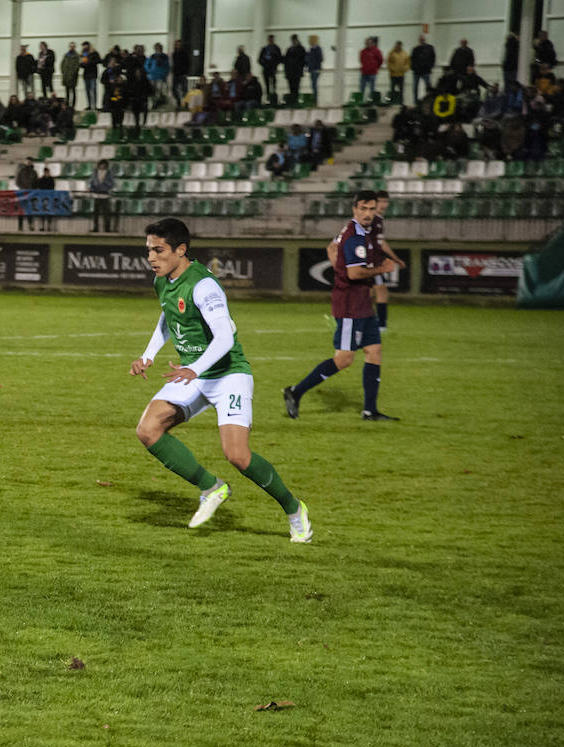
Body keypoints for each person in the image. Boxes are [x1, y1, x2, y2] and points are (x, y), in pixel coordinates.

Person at [131, 218, 311, 543]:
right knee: (148, 429)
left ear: (180, 250)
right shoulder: (163, 280)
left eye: (158, 250)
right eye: (149, 251)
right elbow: (168, 316)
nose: (151, 257)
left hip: (227, 374)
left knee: (237, 455)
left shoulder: (203, 285)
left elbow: (225, 337)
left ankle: (294, 509)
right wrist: (149, 354)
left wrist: (195, 369)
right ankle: (211, 487)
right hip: (194, 372)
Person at [283, 190, 399, 422]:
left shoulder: (356, 231)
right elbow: (355, 273)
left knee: (374, 352)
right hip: (349, 306)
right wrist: (382, 269)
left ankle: (369, 410)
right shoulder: (355, 236)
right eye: (363, 209)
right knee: (345, 358)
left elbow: (331, 249)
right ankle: (296, 391)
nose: (368, 213)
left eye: (371, 209)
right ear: (355, 208)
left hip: (363, 304)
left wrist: (339, 268)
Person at [365, 190, 405, 330]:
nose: (383, 204)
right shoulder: (372, 219)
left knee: (369, 292)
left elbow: (380, 242)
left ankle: (364, 320)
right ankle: (380, 325)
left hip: (373, 259)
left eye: (386, 201)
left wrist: (395, 258)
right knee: (381, 291)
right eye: (380, 201)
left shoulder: (378, 219)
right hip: (371, 260)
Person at [89, 158, 116, 233]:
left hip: (105, 196)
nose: (102, 166)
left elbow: (112, 184)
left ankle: (107, 229)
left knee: (106, 214)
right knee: (95, 214)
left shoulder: (109, 173)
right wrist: (93, 187)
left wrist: (103, 185)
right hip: (96, 195)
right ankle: (95, 228)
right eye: (101, 164)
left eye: (104, 164)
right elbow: (91, 182)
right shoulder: (95, 172)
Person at [411, 34, 436, 102]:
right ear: (419, 40)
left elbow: (433, 58)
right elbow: (412, 59)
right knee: (415, 87)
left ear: (424, 40)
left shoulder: (430, 48)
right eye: (420, 39)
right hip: (417, 71)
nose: (421, 40)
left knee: (428, 87)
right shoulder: (415, 49)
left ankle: (429, 100)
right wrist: (414, 68)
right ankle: (415, 101)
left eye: (422, 39)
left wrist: (430, 67)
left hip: (426, 71)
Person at [15, 156, 37, 231]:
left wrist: (32, 190)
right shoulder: (21, 171)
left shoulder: (34, 172)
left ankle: (30, 224)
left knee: (30, 210)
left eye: (30, 161)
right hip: (22, 192)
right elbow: (17, 182)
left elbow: (36, 183)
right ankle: (20, 226)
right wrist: (23, 188)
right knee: (21, 210)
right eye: (27, 161)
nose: (28, 162)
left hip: (30, 193)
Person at [259, 35, 282, 102]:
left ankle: (274, 97)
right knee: (267, 84)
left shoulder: (276, 48)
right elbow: (259, 59)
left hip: (273, 68)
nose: (271, 41)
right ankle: (268, 97)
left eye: (272, 39)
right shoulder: (264, 49)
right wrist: (264, 64)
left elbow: (279, 58)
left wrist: (274, 65)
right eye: (270, 39)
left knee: (274, 83)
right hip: (266, 69)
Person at [283, 35, 306, 104]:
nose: (293, 41)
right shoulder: (289, 49)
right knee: (291, 87)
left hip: (297, 72)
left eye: (294, 40)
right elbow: (285, 60)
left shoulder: (301, 49)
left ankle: (295, 100)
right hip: (290, 72)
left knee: (296, 87)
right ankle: (292, 101)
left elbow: (303, 60)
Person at [36, 164, 56, 231]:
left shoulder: (51, 180)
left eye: (48, 172)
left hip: (49, 198)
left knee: (49, 213)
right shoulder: (41, 180)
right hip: (42, 198)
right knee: (42, 213)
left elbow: (53, 188)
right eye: (46, 172)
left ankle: (49, 226)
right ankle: (42, 226)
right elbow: (39, 188)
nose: (47, 173)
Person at [81, 41, 101, 110]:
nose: (84, 47)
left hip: (93, 75)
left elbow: (99, 61)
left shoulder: (94, 53)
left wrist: (89, 62)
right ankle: (89, 105)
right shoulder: (83, 54)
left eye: (85, 46)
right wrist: (84, 63)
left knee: (93, 90)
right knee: (87, 91)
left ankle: (94, 105)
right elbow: (81, 64)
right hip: (86, 75)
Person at [61, 42, 81, 108]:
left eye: (73, 46)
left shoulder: (77, 56)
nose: (71, 47)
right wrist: (63, 71)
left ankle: (72, 106)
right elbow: (62, 64)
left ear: (75, 47)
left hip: (73, 77)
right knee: (67, 93)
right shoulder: (66, 55)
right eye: (70, 46)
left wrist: (72, 74)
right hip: (66, 76)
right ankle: (67, 105)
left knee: (73, 91)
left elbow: (77, 66)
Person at [307, 35, 324, 101]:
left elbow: (320, 59)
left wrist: (316, 67)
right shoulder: (311, 49)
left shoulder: (318, 49)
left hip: (316, 70)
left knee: (314, 84)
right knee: (313, 85)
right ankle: (314, 98)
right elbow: (308, 58)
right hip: (311, 69)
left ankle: (315, 99)